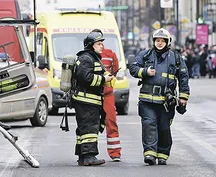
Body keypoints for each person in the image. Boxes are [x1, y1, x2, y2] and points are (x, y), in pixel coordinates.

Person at [129, 28, 190, 166]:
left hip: (166, 102)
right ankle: (150, 153)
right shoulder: (145, 55)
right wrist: (144, 71)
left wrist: (183, 97)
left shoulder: (176, 58)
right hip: (147, 100)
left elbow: (184, 77)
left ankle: (162, 154)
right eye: (157, 40)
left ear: (168, 42)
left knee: (164, 128)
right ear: (153, 41)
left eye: (163, 41)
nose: (160, 43)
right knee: (149, 125)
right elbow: (133, 68)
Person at [72, 31, 114, 166]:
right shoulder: (86, 58)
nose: (102, 46)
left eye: (102, 43)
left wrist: (106, 77)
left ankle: (83, 156)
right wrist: (103, 79)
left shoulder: (93, 58)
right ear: (91, 45)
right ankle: (89, 157)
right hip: (86, 100)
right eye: (99, 43)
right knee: (90, 128)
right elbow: (85, 78)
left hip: (89, 100)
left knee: (84, 129)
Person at [91, 29, 122, 162]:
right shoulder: (87, 56)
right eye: (96, 41)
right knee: (90, 124)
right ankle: (90, 152)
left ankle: (115, 153)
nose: (99, 43)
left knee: (111, 122)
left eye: (100, 41)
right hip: (92, 95)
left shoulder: (110, 54)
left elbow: (115, 71)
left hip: (107, 95)